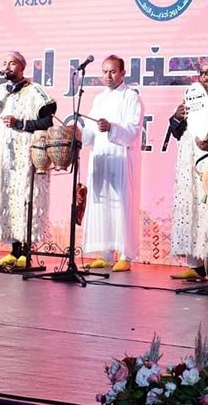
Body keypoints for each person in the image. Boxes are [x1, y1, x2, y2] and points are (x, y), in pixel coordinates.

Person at [0, 51, 56, 268]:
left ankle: (26, 253)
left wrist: (21, 123)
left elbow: (47, 121)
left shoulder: (34, 91)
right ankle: (13, 251)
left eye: (12, 63)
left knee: (25, 198)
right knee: (6, 198)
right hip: (1, 156)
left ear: (22, 67)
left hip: (25, 154)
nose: (7, 67)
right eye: (5, 63)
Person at [76, 55, 143, 273]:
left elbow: (133, 131)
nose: (108, 76)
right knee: (101, 205)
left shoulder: (131, 97)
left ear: (123, 73)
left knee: (121, 205)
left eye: (113, 72)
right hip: (101, 158)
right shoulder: (99, 99)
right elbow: (90, 132)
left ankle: (125, 255)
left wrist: (112, 128)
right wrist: (78, 134)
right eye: (105, 72)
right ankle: (105, 255)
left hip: (120, 158)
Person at [168, 56, 208, 280]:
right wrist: (176, 117)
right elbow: (176, 132)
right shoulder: (193, 96)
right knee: (191, 207)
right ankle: (196, 265)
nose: (204, 77)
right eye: (201, 73)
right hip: (189, 161)